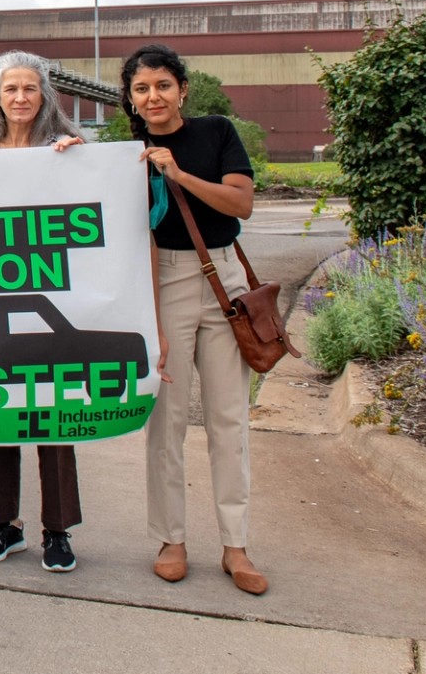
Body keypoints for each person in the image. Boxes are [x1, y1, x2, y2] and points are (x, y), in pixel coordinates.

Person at [122, 43, 266, 595]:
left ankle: (236, 546)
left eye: (162, 85)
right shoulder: (127, 154)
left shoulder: (216, 132)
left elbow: (240, 203)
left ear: (182, 89)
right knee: (167, 422)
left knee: (229, 420)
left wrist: (178, 175)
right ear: (130, 99)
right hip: (164, 281)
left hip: (223, 276)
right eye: (141, 88)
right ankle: (171, 539)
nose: (152, 96)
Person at [0, 51, 87, 573]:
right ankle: (4, 526)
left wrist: (83, 164)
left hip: (51, 305)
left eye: (30, 88)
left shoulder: (67, 150)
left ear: (44, 95)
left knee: (53, 419)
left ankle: (57, 530)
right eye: (11, 89)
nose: (20, 98)